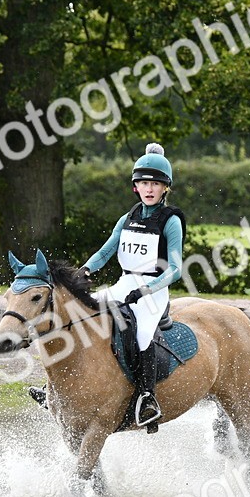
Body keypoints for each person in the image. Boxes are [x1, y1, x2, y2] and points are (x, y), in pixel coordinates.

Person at [82, 143, 186, 427]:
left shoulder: (171, 221)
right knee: (85, 314)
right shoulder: (127, 218)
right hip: (124, 283)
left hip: (154, 289)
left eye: (155, 183)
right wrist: (86, 269)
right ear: (135, 187)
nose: (149, 188)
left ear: (165, 188)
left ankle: (147, 398)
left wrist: (147, 290)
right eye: (143, 183)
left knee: (140, 334)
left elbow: (176, 269)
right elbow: (104, 253)